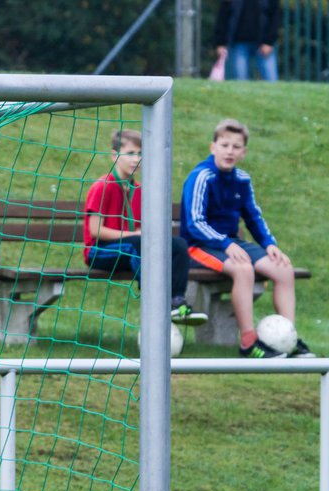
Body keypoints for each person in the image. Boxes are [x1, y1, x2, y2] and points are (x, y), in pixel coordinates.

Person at [181, 118, 314, 358]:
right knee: (244, 270)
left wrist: (269, 244)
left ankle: (287, 339)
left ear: (244, 152)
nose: (229, 151)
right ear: (213, 147)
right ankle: (248, 342)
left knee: (284, 269)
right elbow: (195, 223)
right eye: (224, 145)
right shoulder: (201, 176)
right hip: (200, 246)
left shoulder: (242, 179)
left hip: (231, 243)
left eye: (236, 146)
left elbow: (253, 217)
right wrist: (225, 243)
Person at [83, 129, 207, 328]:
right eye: (130, 153)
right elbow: (96, 231)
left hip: (133, 249)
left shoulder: (140, 190)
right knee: (137, 244)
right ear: (114, 155)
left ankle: (177, 301)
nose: (136, 159)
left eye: (140, 154)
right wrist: (134, 234)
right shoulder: (103, 186)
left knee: (178, 245)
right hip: (101, 252)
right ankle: (156, 306)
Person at [214, 0, 281, 82]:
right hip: (238, 44)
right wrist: (220, 42)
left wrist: (269, 41)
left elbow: (275, 17)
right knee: (241, 82)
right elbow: (222, 16)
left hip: (264, 44)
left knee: (271, 81)